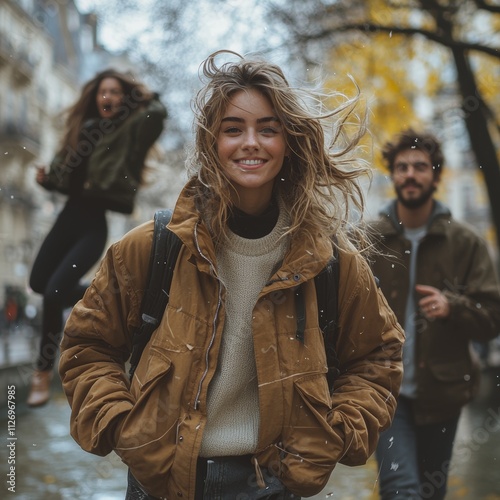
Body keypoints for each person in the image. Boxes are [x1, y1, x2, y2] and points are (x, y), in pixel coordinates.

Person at [58, 50, 404, 499]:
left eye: (268, 129)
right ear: (210, 142)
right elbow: (86, 345)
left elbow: (378, 356)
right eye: (233, 129)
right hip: (163, 481)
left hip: (273, 484)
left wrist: (336, 433)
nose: (250, 143)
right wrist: (125, 427)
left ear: (289, 141)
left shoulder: (331, 260)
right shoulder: (155, 245)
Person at [368, 128, 500, 500]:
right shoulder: (368, 241)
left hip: (443, 393)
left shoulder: (465, 242)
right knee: (401, 490)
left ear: (436, 175)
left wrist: (451, 306)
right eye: (402, 166)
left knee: (431, 490)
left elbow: (492, 316)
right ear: (392, 175)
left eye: (420, 166)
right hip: (384, 393)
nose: (410, 173)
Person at [27, 68, 167, 407]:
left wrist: (146, 97)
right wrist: (47, 179)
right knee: (38, 284)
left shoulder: (130, 129)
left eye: (116, 92)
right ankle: (118, 297)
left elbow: (157, 116)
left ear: (124, 98)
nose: (109, 98)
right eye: (103, 92)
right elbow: (62, 177)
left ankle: (42, 374)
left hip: (93, 223)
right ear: (95, 97)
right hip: (67, 219)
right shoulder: (82, 130)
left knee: (54, 294)